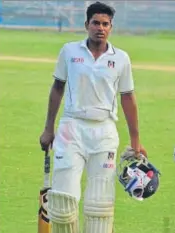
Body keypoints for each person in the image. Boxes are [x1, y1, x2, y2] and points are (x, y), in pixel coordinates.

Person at [39, 2, 147, 233]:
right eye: (96, 23)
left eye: (105, 24)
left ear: (111, 27)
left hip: (105, 132)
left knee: (100, 206)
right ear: (86, 24)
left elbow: (128, 98)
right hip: (71, 128)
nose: (100, 27)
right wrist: (49, 129)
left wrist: (136, 141)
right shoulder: (69, 51)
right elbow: (57, 88)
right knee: (63, 203)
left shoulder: (121, 58)